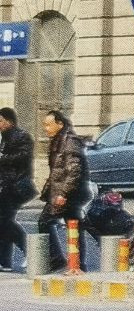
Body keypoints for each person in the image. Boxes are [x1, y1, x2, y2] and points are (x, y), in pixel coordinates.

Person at [38, 109, 96, 273]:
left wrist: (63, 193)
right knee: (76, 226)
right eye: (44, 125)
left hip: (69, 194)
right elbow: (56, 171)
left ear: (60, 124)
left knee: (46, 222)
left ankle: (59, 260)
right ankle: (76, 263)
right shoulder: (59, 140)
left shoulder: (69, 141)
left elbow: (74, 172)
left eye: (49, 125)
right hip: (64, 193)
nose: (46, 128)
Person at [0, 107, 35, 272]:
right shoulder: (5, 138)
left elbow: (23, 157)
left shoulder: (22, 136)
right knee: (3, 223)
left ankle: (29, 249)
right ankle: (4, 261)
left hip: (16, 185)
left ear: (10, 121)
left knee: (5, 221)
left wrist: (2, 159)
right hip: (5, 185)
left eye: (0, 121)